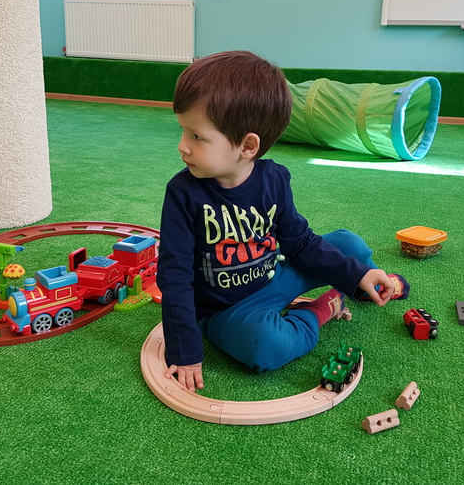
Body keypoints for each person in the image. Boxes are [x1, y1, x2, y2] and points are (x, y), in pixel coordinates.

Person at [157, 51, 409, 392]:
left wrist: (357, 273)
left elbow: (300, 243)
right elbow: (174, 276)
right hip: (226, 311)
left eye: (196, 137)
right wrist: (185, 351)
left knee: (350, 245)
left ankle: (363, 285)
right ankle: (321, 310)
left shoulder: (274, 179)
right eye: (183, 132)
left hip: (275, 277)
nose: (182, 147)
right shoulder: (183, 194)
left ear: (247, 146)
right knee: (266, 346)